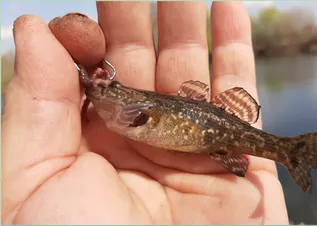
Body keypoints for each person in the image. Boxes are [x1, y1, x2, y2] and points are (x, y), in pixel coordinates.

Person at [2, 1, 289, 224]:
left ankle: (290, 151)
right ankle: (290, 151)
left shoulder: (140, 112)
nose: (101, 90)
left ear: (136, 106)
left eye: (111, 87)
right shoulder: (132, 116)